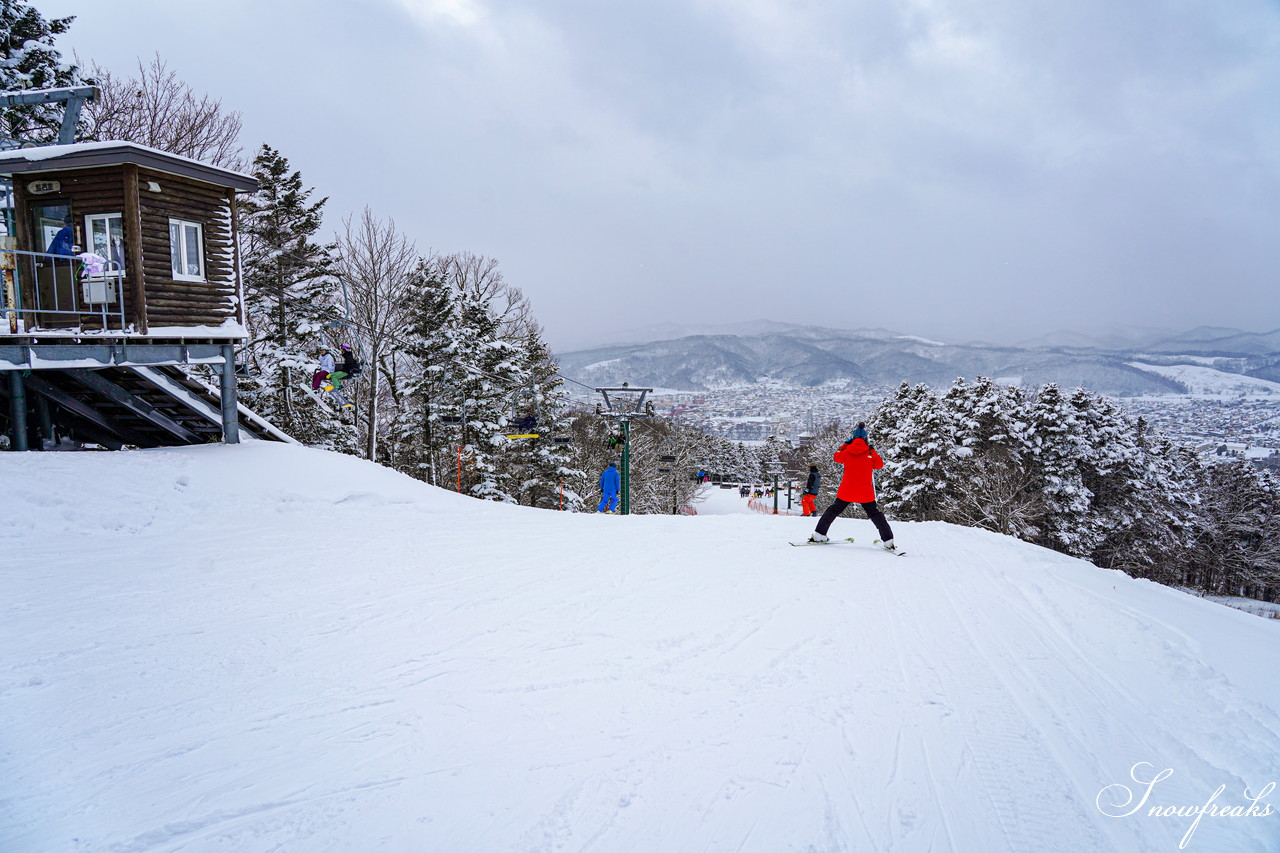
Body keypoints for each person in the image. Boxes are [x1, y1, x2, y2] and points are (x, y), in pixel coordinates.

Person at [809, 422, 897, 551]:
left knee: (833, 510)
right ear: (866, 438)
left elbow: (836, 457)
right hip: (865, 491)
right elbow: (879, 465)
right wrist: (871, 449)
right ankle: (888, 540)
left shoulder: (846, 451)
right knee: (875, 515)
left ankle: (819, 534)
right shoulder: (870, 452)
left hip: (847, 490)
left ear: (853, 438)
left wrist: (845, 445)